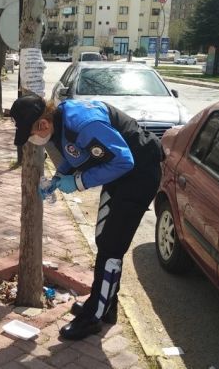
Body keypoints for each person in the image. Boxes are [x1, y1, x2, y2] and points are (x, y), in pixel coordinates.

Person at [10, 94, 164, 340]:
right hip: (120, 175)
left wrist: (79, 182)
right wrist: (59, 178)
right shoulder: (60, 120)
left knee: (111, 248)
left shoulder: (82, 123)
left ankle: (92, 317)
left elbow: (124, 160)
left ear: (42, 125)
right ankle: (106, 306)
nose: (33, 140)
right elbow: (77, 155)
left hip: (139, 175)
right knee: (104, 239)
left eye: (30, 135)